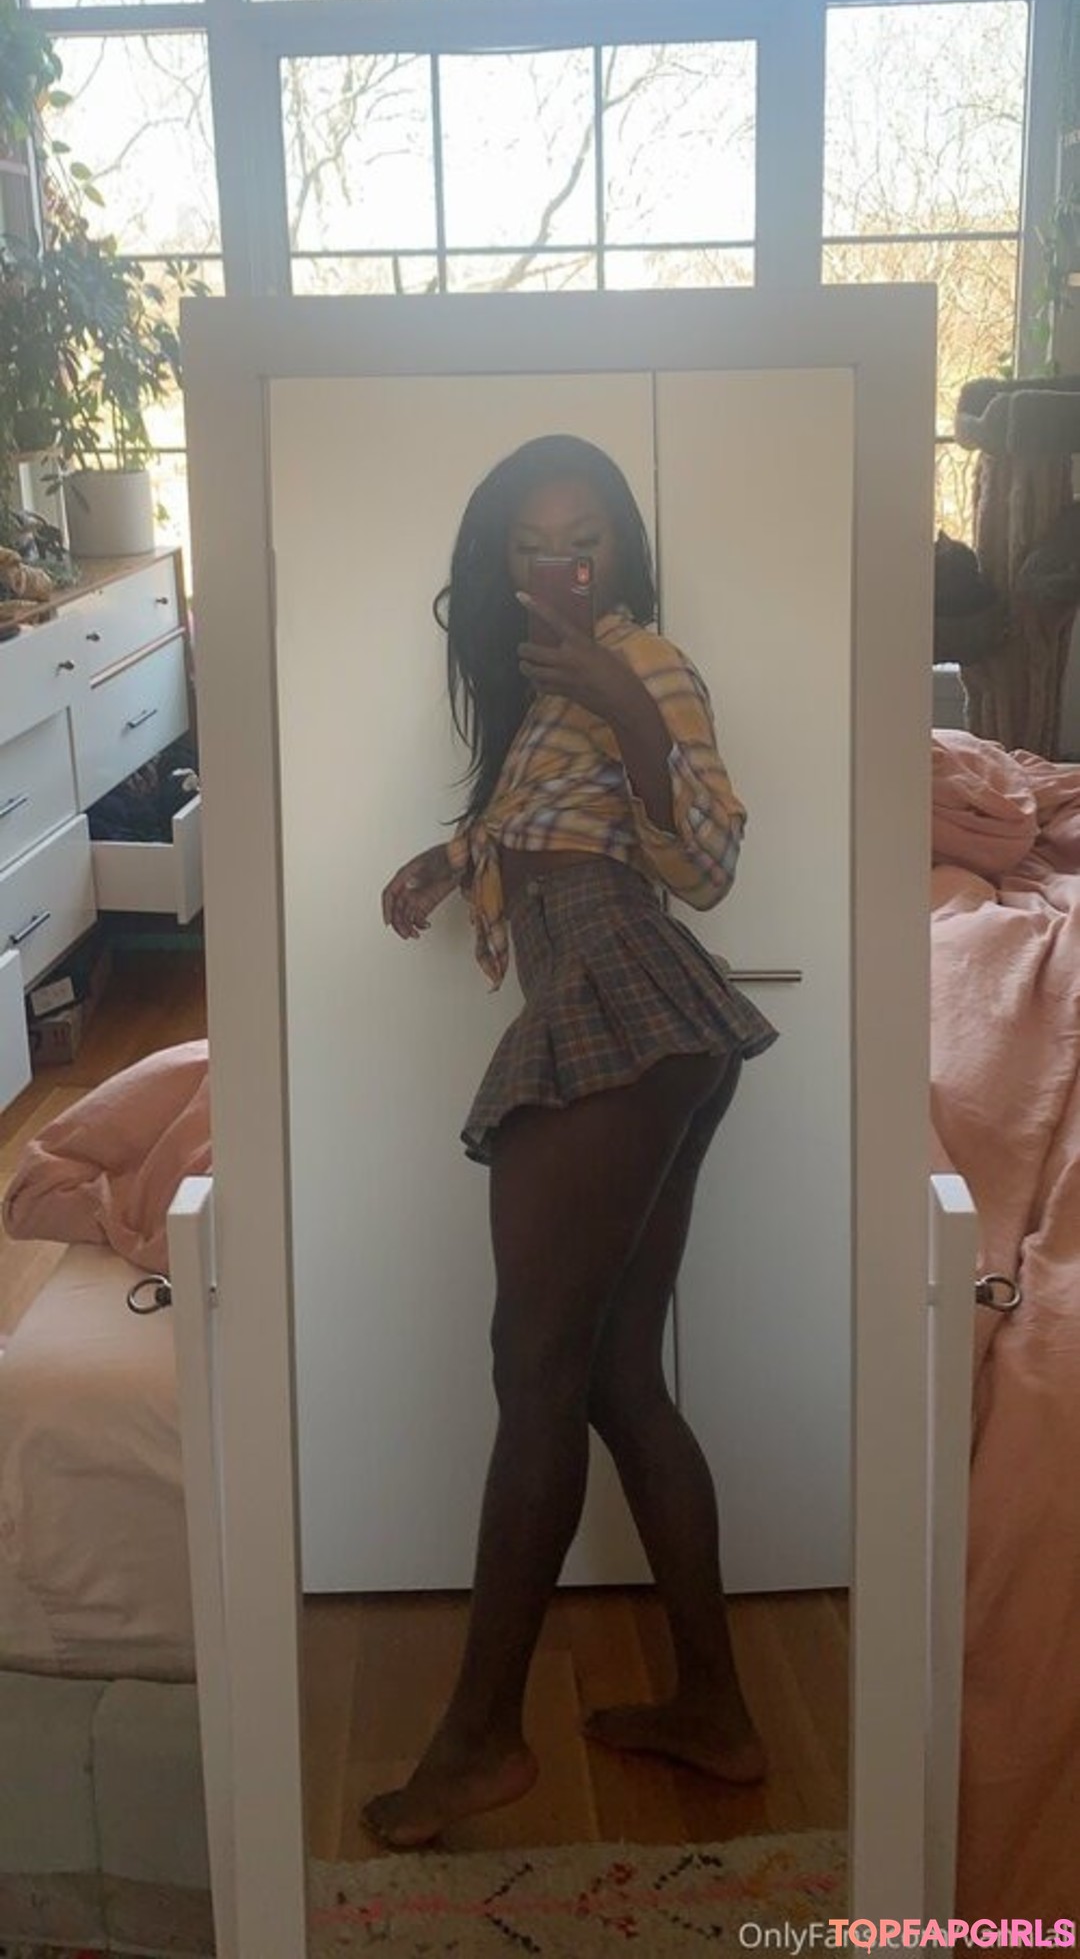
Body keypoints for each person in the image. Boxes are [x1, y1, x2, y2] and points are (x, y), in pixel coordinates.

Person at [368, 432, 778, 1849]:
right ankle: (716, 1709)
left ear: (622, 555)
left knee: (533, 1368)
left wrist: (628, 704)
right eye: (532, 545)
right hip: (640, 1021)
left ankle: (482, 1739)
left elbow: (708, 864)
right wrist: (450, 861)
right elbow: (554, 835)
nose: (561, 567)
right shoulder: (541, 699)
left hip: (620, 998)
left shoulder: (643, 663)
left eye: (585, 541)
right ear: (500, 565)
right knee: (610, 1375)